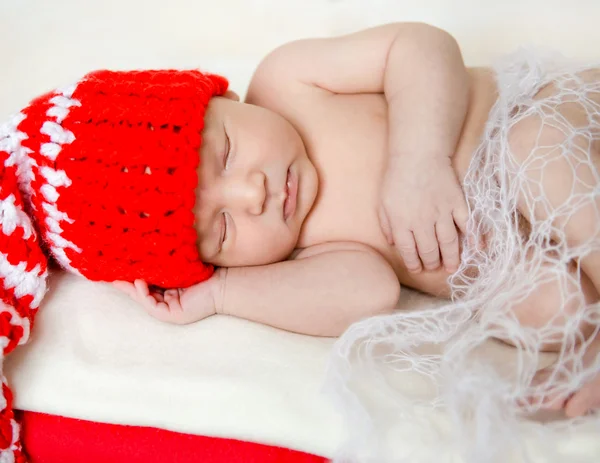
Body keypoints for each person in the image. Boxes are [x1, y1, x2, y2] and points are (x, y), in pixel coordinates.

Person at [112, 23, 600, 419]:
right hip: (529, 244)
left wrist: (418, 159)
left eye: (226, 153)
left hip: (545, 121)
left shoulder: (286, 81)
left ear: (224, 99)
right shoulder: (296, 251)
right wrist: (220, 295)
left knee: (533, 151)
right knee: (554, 308)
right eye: (223, 229)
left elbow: (419, 47)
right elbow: (371, 292)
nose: (251, 193)